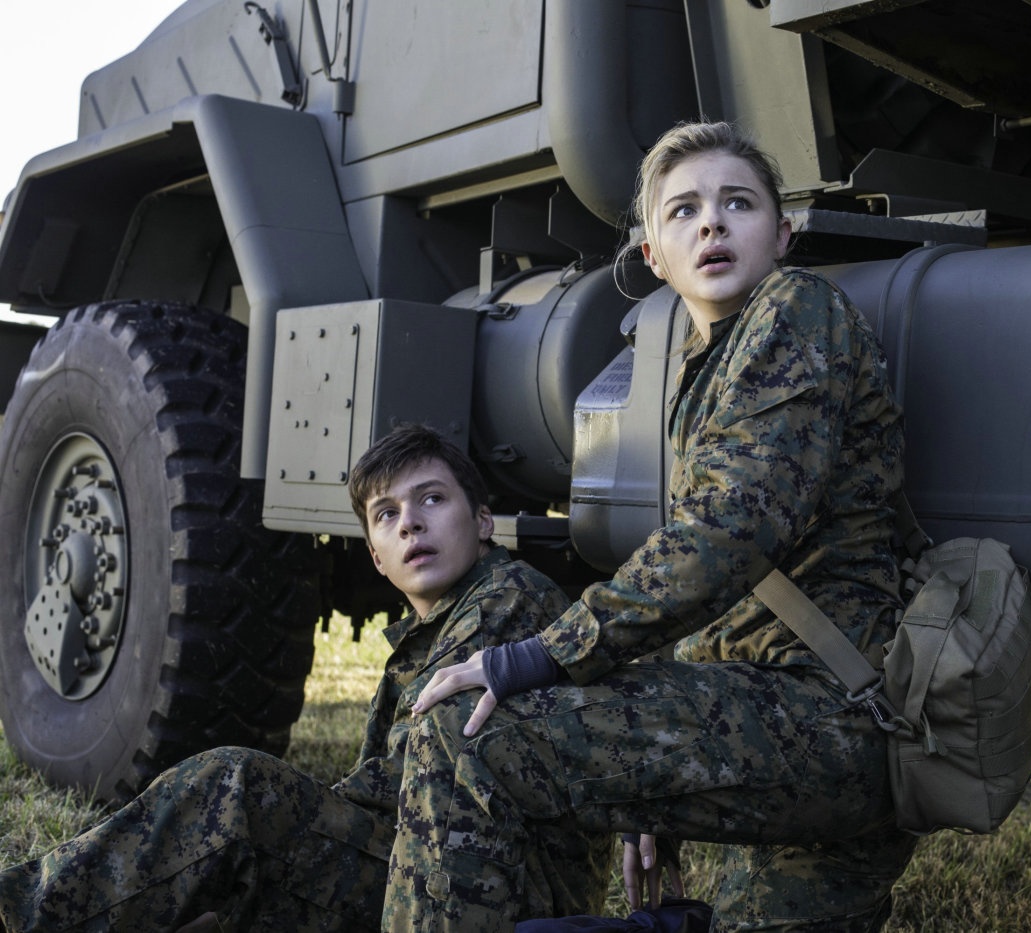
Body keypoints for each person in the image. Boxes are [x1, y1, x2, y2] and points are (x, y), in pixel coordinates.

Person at [385, 121, 917, 932]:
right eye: (683, 211)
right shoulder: (707, 363)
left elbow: (727, 536)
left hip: (828, 720)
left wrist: (542, 654)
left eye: (738, 203)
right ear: (653, 257)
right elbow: (714, 596)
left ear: (782, 234)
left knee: (466, 730)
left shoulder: (797, 308)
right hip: (783, 727)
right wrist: (648, 788)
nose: (712, 223)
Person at [0, 424, 612, 932]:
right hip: (436, 869)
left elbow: (422, 777)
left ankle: (21, 915)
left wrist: (289, 824)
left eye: (431, 499)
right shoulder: (433, 628)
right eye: (387, 514)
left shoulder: (507, 596)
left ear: (482, 522)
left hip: (494, 890)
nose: (409, 524)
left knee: (237, 789)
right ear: (376, 556)